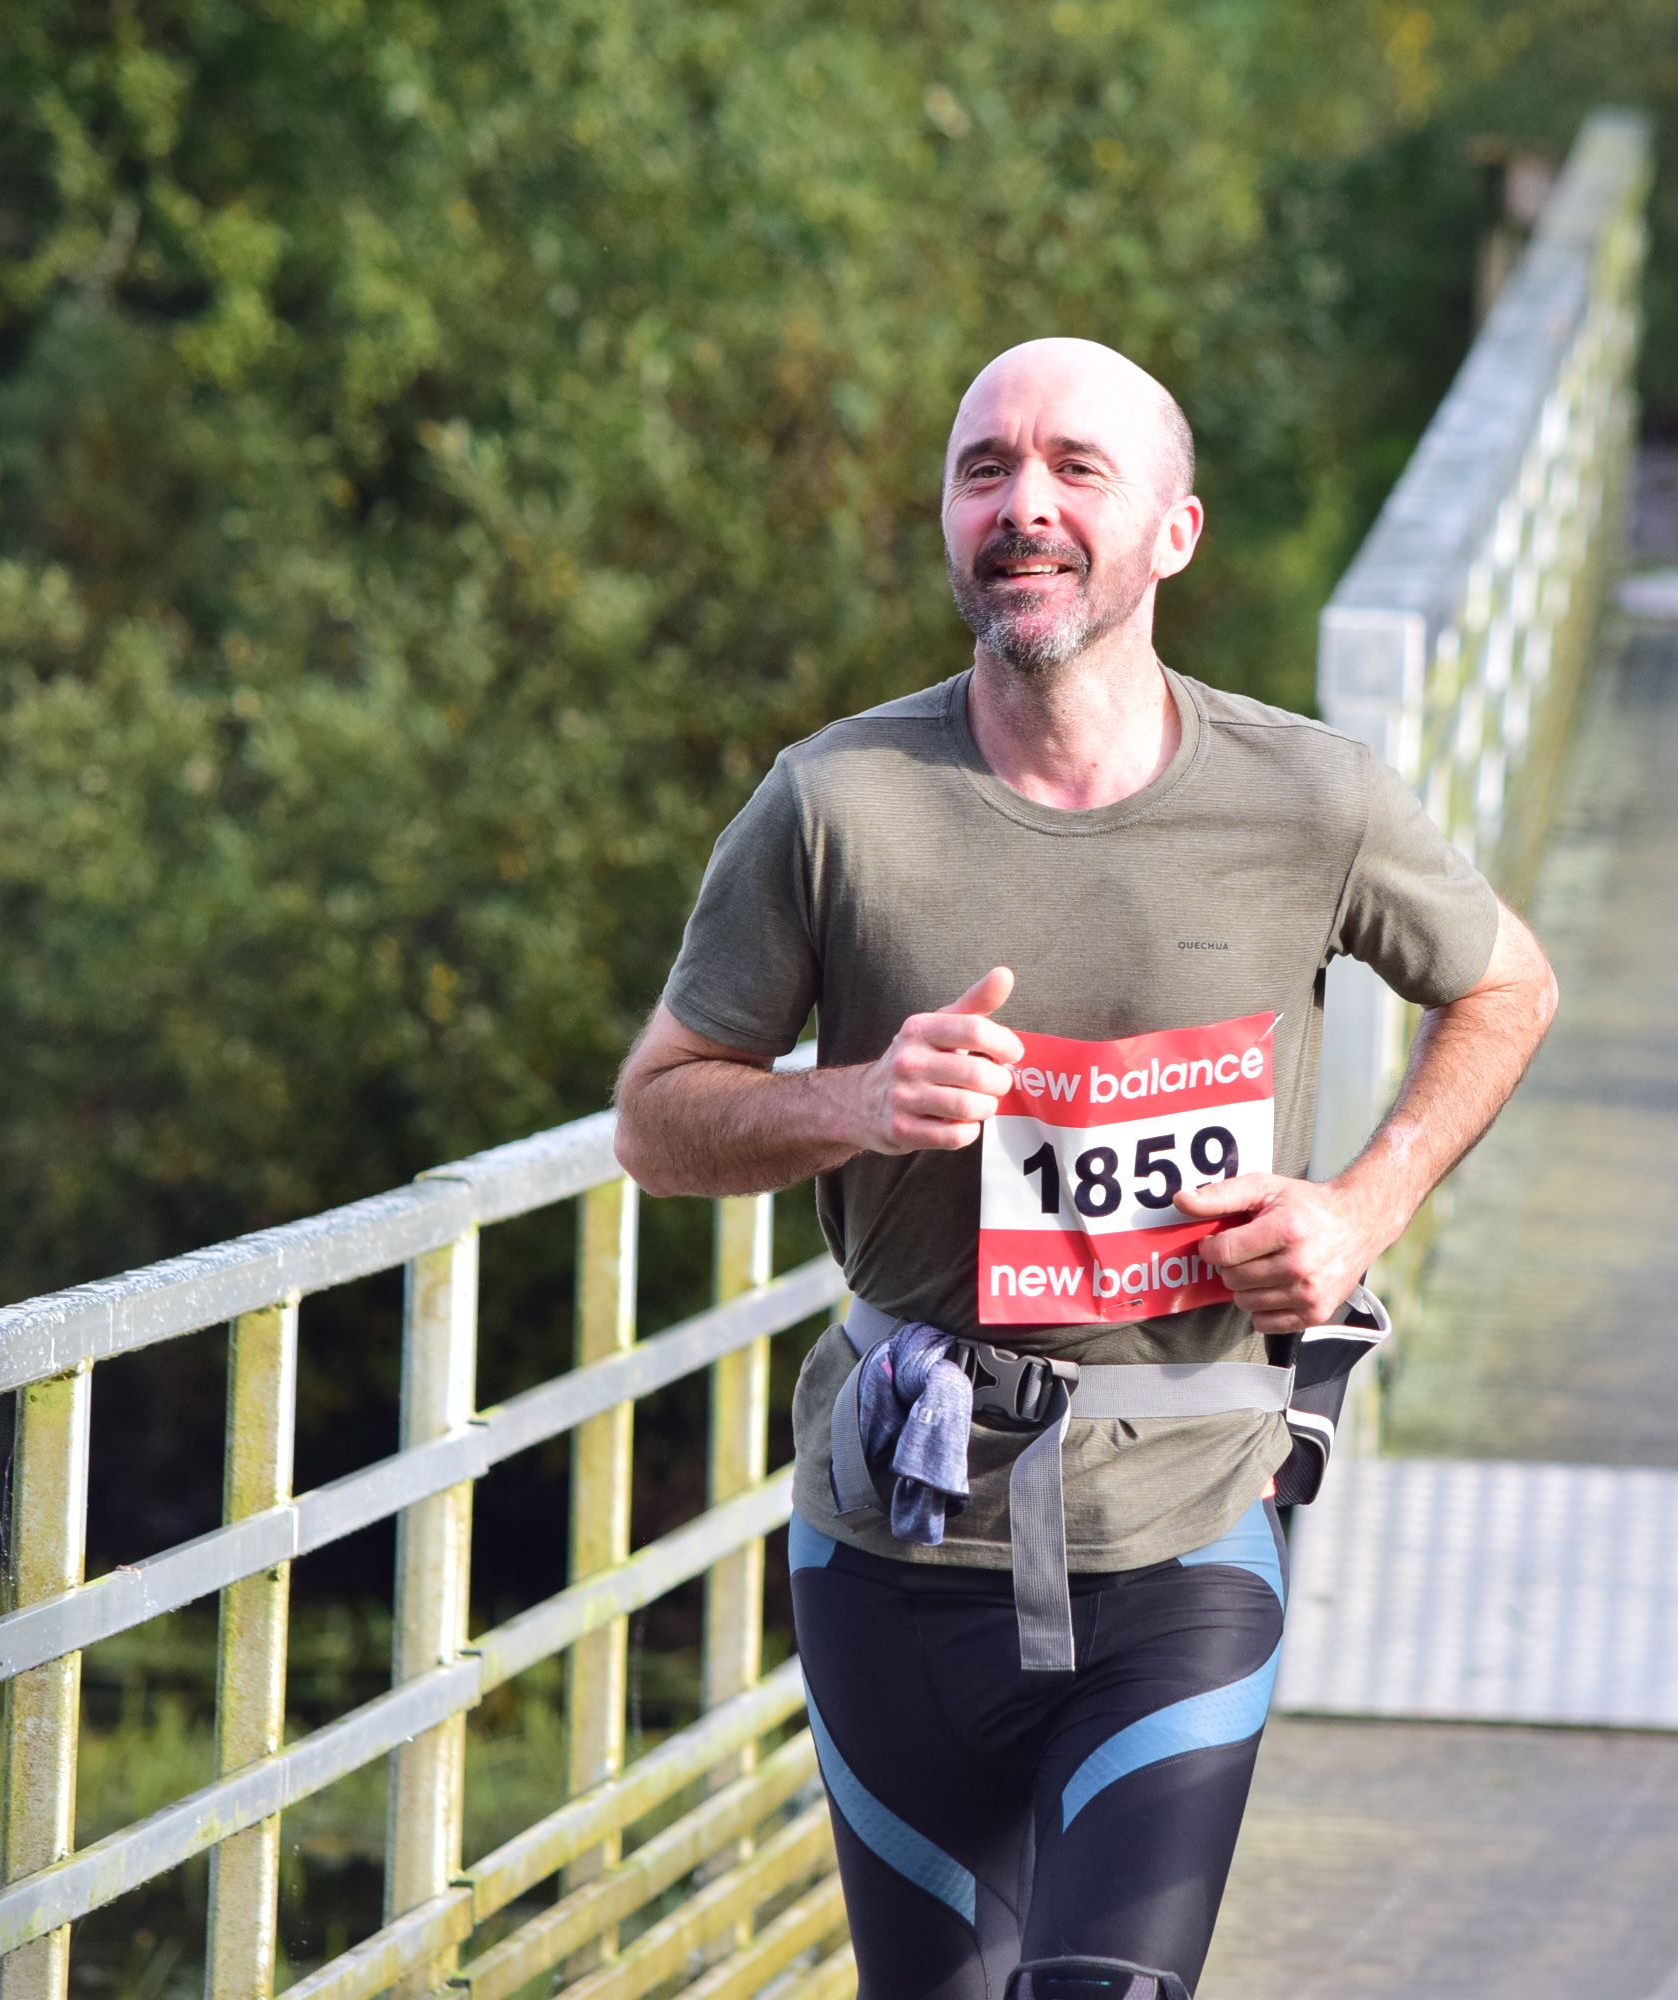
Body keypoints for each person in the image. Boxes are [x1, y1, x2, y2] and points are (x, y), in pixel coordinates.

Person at [612, 336, 1558, 2000]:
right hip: (898, 1533)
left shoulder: (1306, 798)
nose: (1023, 506)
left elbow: (1507, 986)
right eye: (984, 470)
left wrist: (1359, 1208)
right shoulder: (836, 803)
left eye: (1074, 469)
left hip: (1184, 1520)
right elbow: (657, 1116)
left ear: (1172, 533)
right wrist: (857, 1100)